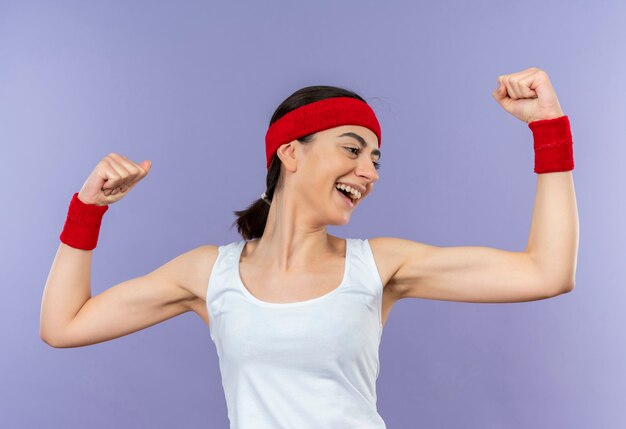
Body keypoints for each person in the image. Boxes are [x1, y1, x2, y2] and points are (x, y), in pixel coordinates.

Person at [40, 67, 578, 429]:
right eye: (353, 149)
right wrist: (88, 209)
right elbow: (64, 326)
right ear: (291, 152)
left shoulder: (381, 266)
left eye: (376, 159)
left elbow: (546, 273)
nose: (368, 171)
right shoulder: (207, 274)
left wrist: (549, 128)